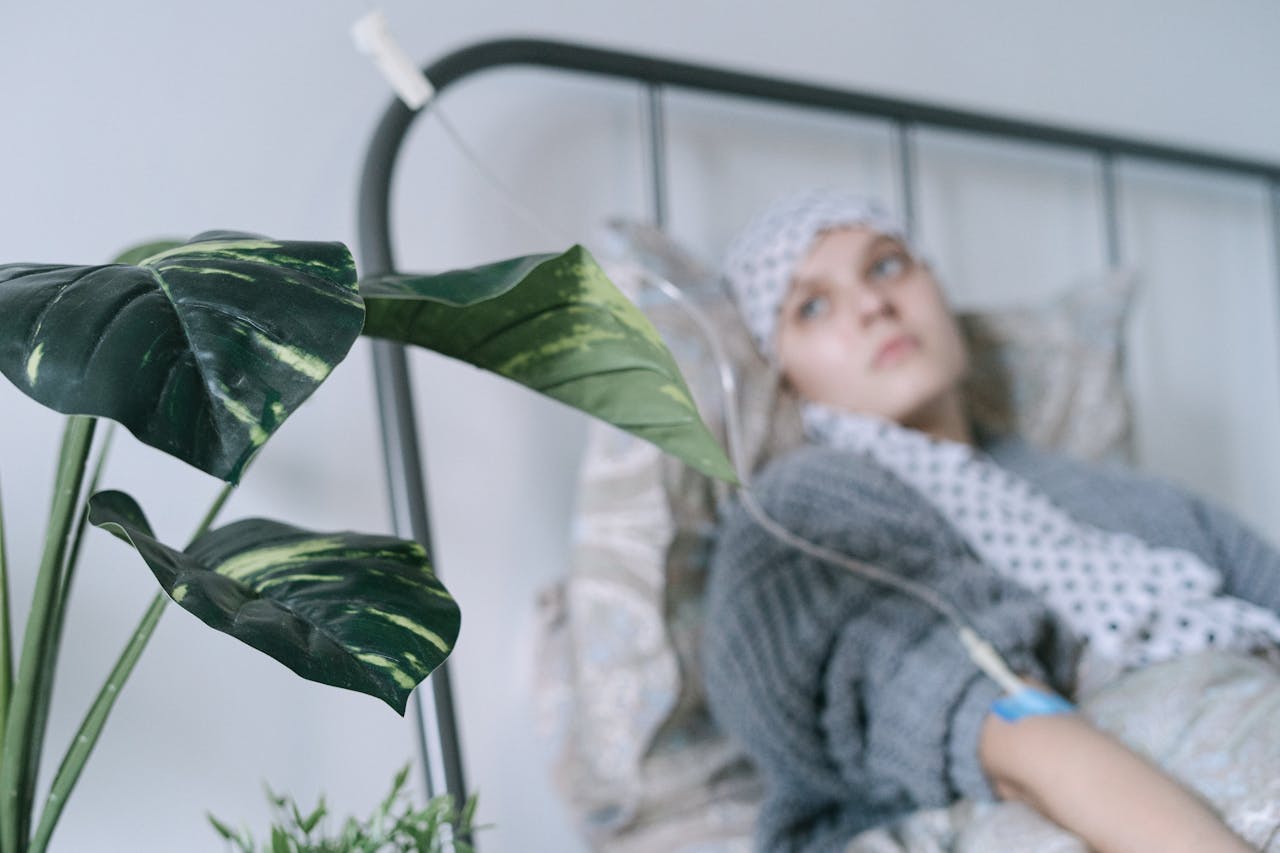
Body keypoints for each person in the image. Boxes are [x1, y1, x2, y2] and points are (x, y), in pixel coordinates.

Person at [700, 189, 1280, 852]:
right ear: (784, 378)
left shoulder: (1132, 500)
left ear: (934, 284)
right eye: (811, 305)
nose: (872, 305)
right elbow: (1013, 731)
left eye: (886, 266)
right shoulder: (804, 512)